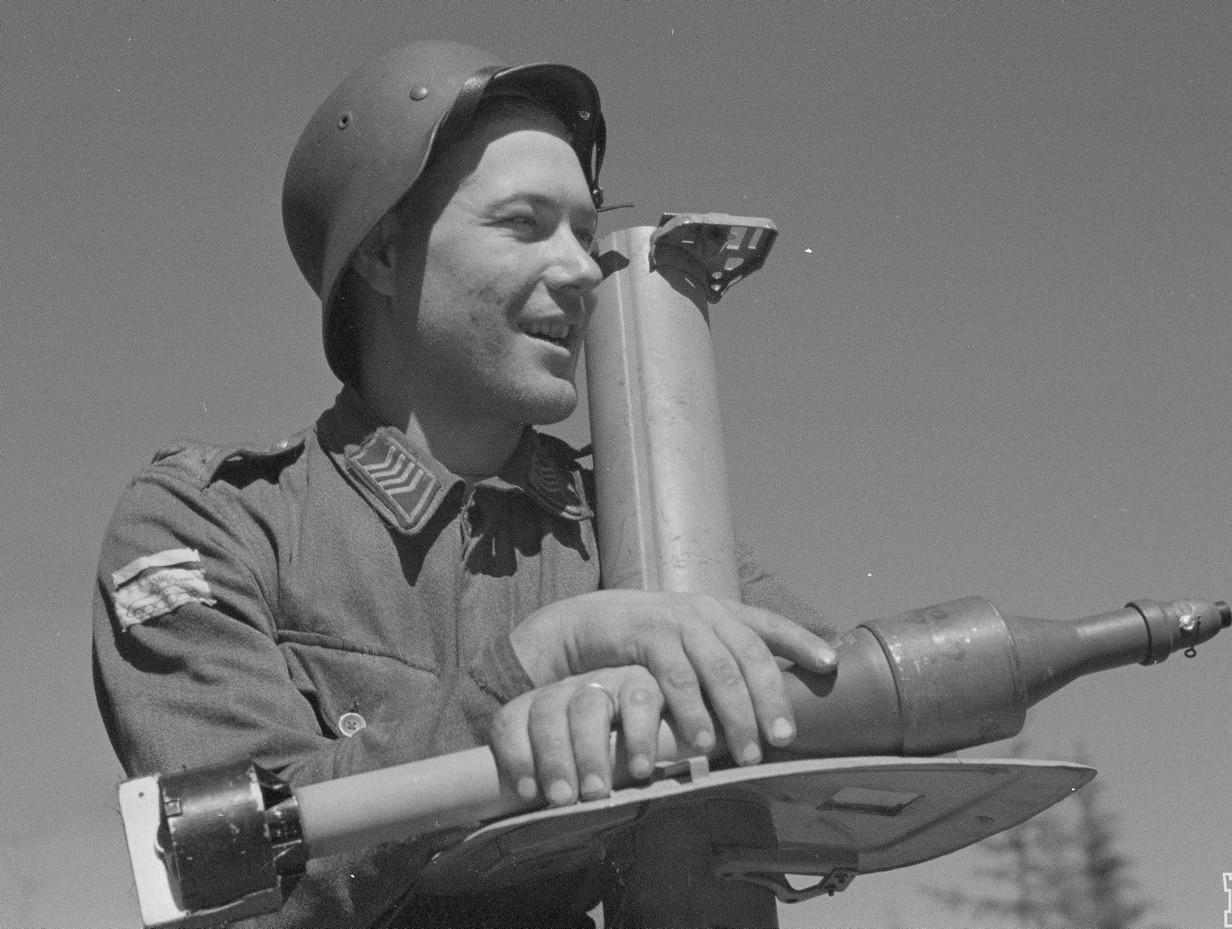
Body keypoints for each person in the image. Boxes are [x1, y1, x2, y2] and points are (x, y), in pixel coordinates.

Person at [92, 40, 836, 928]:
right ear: (379, 252)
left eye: (587, 235)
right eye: (525, 224)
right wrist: (530, 672)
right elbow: (233, 878)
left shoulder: (630, 529)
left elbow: (828, 697)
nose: (580, 271)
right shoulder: (215, 523)